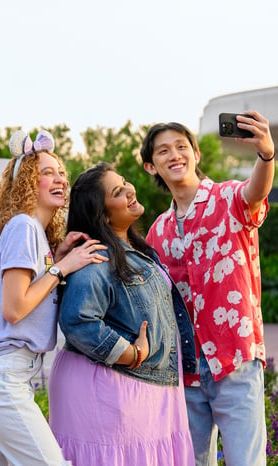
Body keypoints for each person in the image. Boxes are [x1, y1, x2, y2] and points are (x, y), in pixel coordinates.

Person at [0, 129, 107, 465]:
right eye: (46, 173)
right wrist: (64, 267)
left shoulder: (34, 234)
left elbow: (29, 293)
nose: (58, 179)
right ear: (28, 183)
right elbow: (15, 309)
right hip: (1, 376)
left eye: (60, 173)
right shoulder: (24, 227)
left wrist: (56, 260)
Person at [141, 111, 275, 466]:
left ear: (196, 155)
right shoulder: (159, 231)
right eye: (163, 151)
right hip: (185, 371)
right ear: (151, 167)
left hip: (235, 360)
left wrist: (265, 155)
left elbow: (256, 191)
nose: (174, 155)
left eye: (181, 147)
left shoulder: (229, 199)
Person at [47, 162, 197, 465]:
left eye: (125, 182)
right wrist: (129, 353)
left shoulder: (134, 250)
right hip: (115, 388)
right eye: (118, 191)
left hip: (142, 385)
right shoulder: (98, 256)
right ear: (103, 214)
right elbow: (77, 319)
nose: (130, 189)